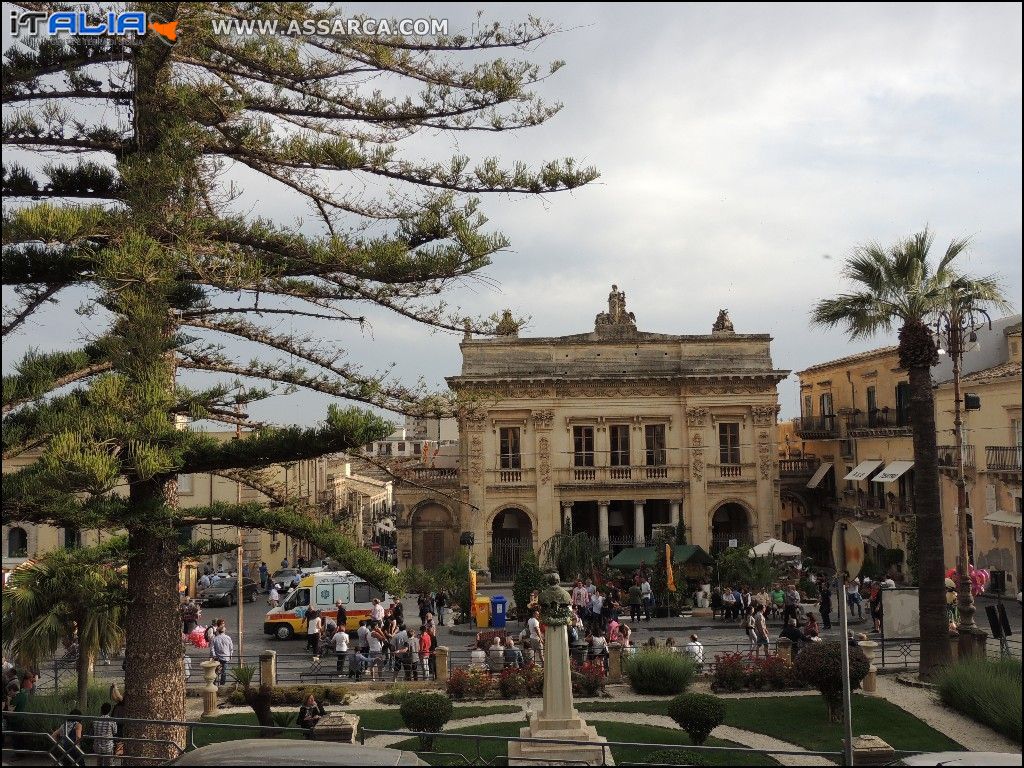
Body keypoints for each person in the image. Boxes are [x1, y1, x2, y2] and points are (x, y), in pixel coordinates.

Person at [92, 702, 118, 767]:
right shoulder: (111, 721)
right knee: (109, 763)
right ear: (109, 710)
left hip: (97, 747)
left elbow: (94, 731)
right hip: (108, 747)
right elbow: (115, 732)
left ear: (101, 710)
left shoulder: (95, 721)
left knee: (99, 763)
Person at [211, 622, 233, 686]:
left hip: (217, 657)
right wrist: (230, 655)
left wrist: (214, 656)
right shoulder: (228, 638)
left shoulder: (215, 639)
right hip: (226, 657)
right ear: (224, 631)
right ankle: (222, 684)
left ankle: (214, 683)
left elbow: (212, 649)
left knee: (215, 671)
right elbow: (231, 648)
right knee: (224, 671)